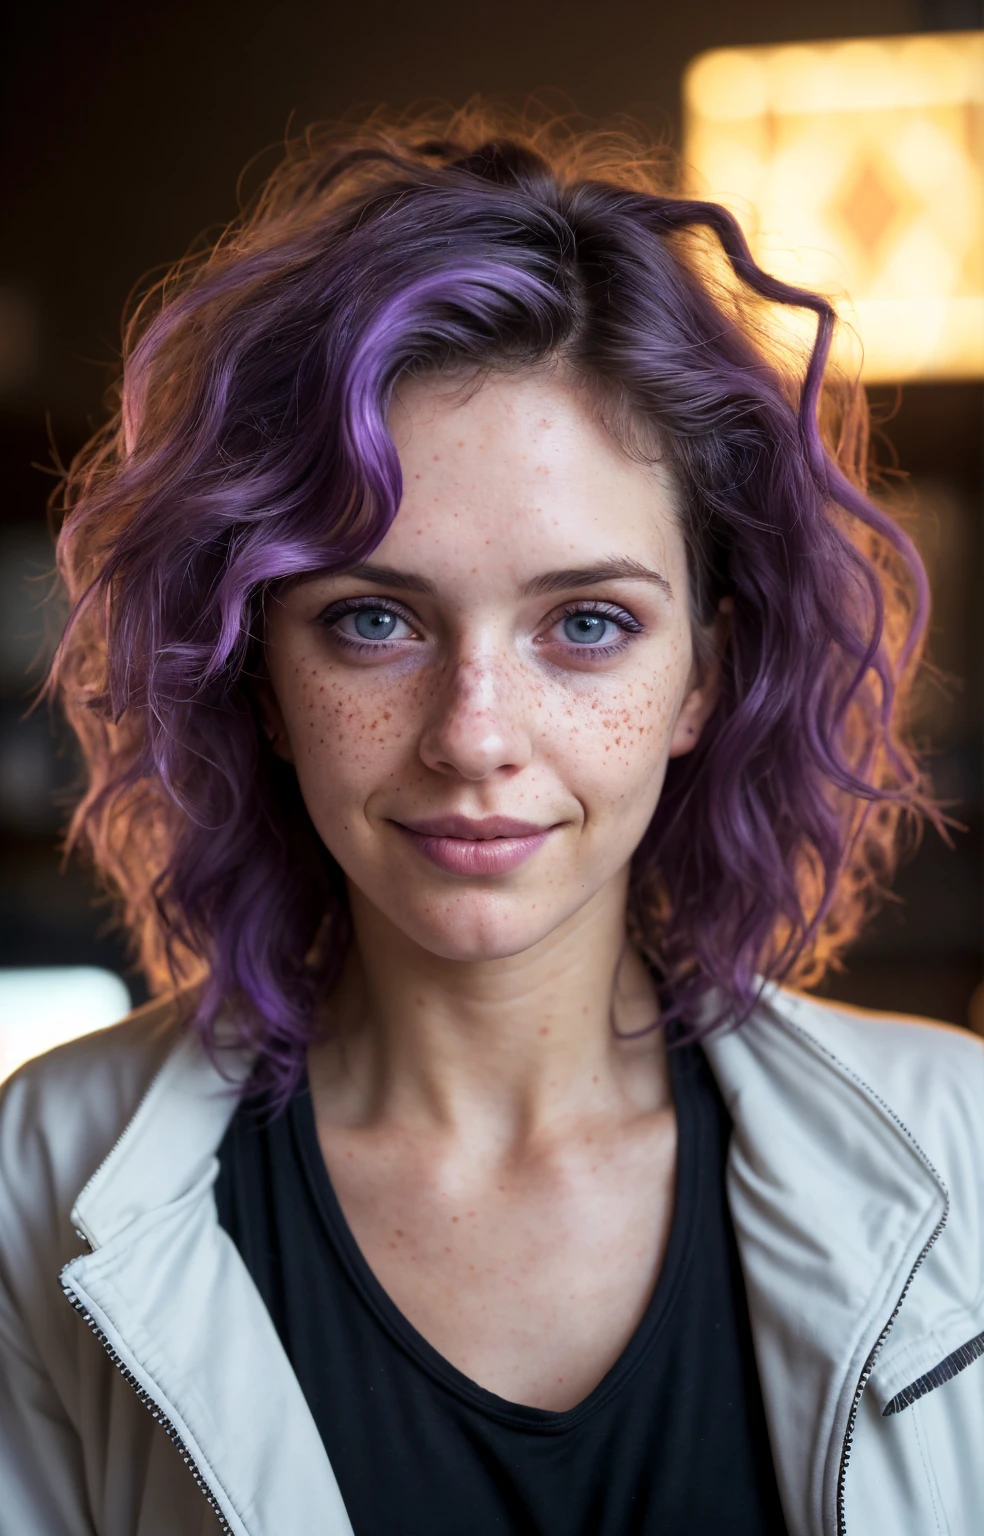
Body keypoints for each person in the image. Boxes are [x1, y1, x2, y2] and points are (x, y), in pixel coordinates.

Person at [0, 108, 981, 1536]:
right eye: (374, 620)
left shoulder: (964, 1156)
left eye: (586, 623)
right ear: (259, 673)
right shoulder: (38, 1173)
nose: (473, 736)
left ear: (704, 673)